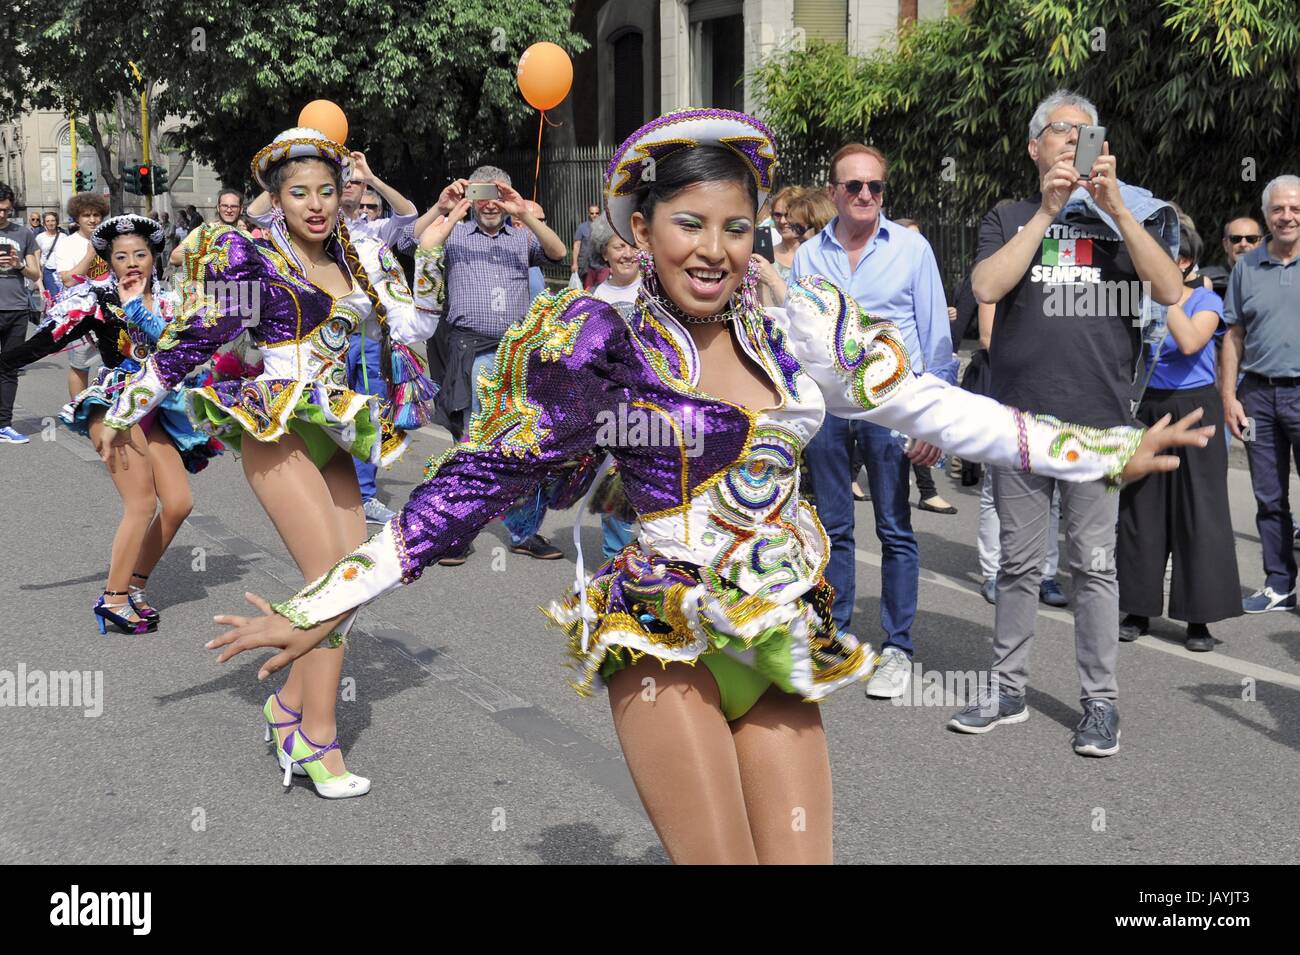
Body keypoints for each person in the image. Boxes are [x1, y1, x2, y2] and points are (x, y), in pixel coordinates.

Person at [206, 109, 1209, 863]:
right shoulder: (598, 343)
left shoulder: (795, 326)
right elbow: (466, 487)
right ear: (640, 228)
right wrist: (321, 600)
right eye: (689, 222)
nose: (715, 249)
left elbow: (937, 407)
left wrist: (1100, 452)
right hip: (660, 633)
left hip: (773, 631)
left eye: (737, 227)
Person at [101, 127, 440, 798]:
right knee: (327, 580)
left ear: (342, 195)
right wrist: (127, 403)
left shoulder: (360, 254)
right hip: (273, 422)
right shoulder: (252, 257)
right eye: (298, 193)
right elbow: (193, 337)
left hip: (334, 424)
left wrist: (427, 254)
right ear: (277, 198)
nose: (315, 204)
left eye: (325, 191)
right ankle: (315, 735)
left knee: (353, 586)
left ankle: (287, 704)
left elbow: (419, 327)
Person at [954, 89, 1185, 756]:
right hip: (1022, 419)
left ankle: (1100, 703)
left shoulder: (1127, 214)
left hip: (1101, 424)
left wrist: (1113, 208)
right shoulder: (1011, 214)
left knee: (1093, 566)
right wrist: (1050, 212)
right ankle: (1006, 689)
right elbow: (989, 287)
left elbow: (1169, 291)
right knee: (1020, 565)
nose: (1073, 143)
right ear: (1035, 146)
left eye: (1086, 134)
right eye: (1060, 132)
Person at [790, 142, 959, 701]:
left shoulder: (912, 250)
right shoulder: (810, 255)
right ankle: (835, 635)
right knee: (834, 527)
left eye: (876, 187)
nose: (866, 195)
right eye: (854, 186)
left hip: (893, 406)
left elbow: (936, 338)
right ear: (834, 192)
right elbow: (801, 333)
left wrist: (932, 421)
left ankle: (899, 648)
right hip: (831, 409)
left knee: (894, 529)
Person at [0, 215, 222, 630]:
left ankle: (135, 584)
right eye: (122, 256)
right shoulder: (97, 300)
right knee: (140, 504)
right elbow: (45, 343)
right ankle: (113, 598)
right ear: (109, 262)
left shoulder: (174, 301)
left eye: (140, 254)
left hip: (157, 406)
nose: (132, 262)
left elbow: (185, 350)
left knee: (177, 504)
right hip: (116, 406)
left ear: (154, 258)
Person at [419, 164, 569, 563]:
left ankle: (523, 531)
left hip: (517, 353)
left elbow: (558, 253)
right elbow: (414, 241)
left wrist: (524, 215)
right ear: (471, 198)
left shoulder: (521, 238)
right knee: (473, 441)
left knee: (523, 443)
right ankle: (460, 529)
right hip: (471, 351)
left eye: (497, 194)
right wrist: (444, 209)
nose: (489, 203)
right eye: (481, 194)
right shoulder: (455, 234)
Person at [1118, 226, 1241, 650]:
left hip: (1197, 408)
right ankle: (1137, 607)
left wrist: (1160, 292)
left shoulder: (1206, 300)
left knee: (1199, 512)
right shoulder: (1134, 301)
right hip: (1149, 407)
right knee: (1140, 510)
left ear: (1183, 263)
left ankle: (1198, 619)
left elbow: (1191, 342)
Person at [1221, 174, 1300, 614]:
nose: (1286, 216)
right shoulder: (1246, 268)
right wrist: (1230, 398)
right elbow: (1233, 335)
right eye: (1278, 209)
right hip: (1258, 398)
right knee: (1270, 497)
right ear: (1267, 214)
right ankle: (1279, 585)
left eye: (1294, 209)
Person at [892, 217, 959, 515]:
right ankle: (856, 474)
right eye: (911, 237)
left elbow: (934, 327)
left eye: (921, 237)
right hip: (887, 372)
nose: (918, 244)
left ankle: (927, 491)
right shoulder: (886, 273)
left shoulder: (922, 264)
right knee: (891, 435)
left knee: (913, 433)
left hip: (918, 370)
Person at [48, 192, 110, 399]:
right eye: (87, 215)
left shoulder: (110, 240)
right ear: (77, 218)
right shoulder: (67, 244)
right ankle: (77, 410)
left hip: (111, 311)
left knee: (115, 364)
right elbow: (68, 280)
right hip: (82, 312)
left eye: (96, 215)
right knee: (80, 364)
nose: (92, 219)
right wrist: (90, 254)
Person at [0, 185, 42, 444]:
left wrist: (19, 265)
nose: (1, 215)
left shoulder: (23, 233)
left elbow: (36, 273)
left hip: (16, 309)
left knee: (9, 369)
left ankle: (4, 424)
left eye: (5, 210)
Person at [571, 202, 604, 289]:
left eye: (597, 213)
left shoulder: (604, 228)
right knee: (587, 290)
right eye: (592, 213)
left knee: (600, 289)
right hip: (586, 265)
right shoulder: (582, 228)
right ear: (589, 214)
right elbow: (576, 246)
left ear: (599, 214)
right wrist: (574, 263)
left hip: (601, 264)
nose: (594, 215)